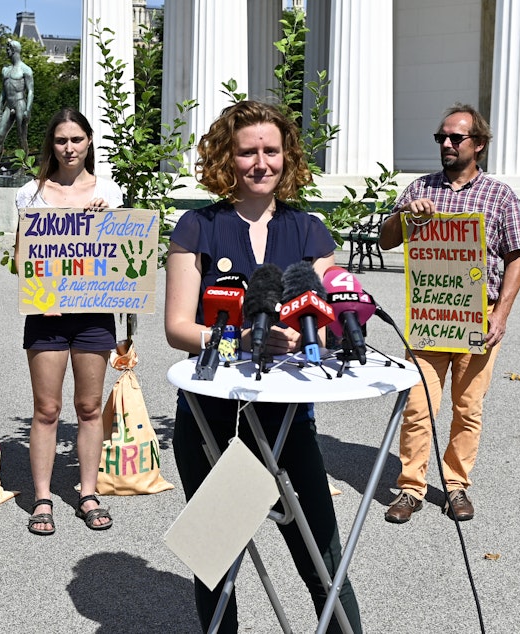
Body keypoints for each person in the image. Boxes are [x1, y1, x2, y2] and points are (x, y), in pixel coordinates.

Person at [164, 100, 362, 633]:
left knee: (322, 560)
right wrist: (241, 338)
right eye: (247, 150)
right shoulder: (197, 227)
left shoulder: (307, 229)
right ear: (227, 157)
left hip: (286, 422)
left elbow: (337, 301)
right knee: (218, 566)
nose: (260, 162)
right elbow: (179, 328)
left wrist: (339, 324)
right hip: (213, 421)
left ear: (287, 156)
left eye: (270, 150)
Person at [379, 103, 520, 524]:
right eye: (441, 137)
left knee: (468, 407)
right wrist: (405, 215)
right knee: (418, 405)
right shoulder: (419, 188)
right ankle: (410, 488)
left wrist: (502, 316)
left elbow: (516, 257)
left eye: (455, 137)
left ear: (477, 144)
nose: (446, 143)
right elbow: (387, 240)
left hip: (479, 316)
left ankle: (456, 486)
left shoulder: (500, 195)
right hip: (430, 314)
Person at [15, 108, 122, 536]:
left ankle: (88, 492)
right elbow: (21, 258)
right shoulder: (30, 193)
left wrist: (106, 220)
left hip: (95, 313)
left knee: (89, 407)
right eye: (61, 140)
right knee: (46, 409)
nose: (69, 147)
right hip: (47, 316)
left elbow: (123, 257)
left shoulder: (109, 192)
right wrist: (41, 297)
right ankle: (42, 497)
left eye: (77, 139)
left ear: (89, 141)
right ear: (51, 145)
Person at [0, 40, 34, 170]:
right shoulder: (5, 70)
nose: (6, 51)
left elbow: (30, 91)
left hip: (20, 103)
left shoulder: (26, 70)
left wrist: (28, 110)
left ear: (13, 50)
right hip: (8, 105)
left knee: (21, 136)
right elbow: (3, 91)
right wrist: (0, 107)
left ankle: (25, 168)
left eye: (8, 49)